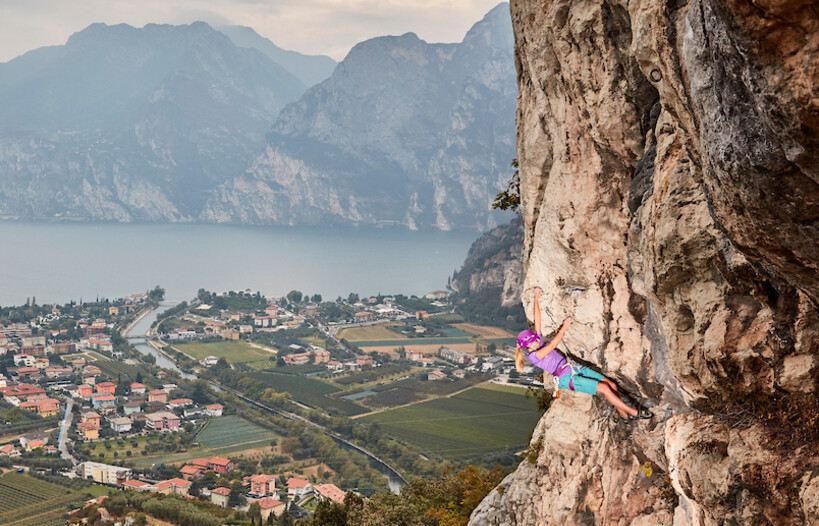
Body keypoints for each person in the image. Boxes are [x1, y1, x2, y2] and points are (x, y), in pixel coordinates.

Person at [515, 287, 651, 420]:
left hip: (573, 367)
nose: (538, 341)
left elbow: (537, 321)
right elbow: (552, 346)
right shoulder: (534, 356)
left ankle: (624, 415)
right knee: (604, 388)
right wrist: (565, 326)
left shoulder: (537, 343)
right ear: (529, 346)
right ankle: (634, 412)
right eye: (534, 341)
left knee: (612, 385)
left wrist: (536, 298)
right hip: (567, 378)